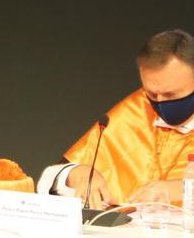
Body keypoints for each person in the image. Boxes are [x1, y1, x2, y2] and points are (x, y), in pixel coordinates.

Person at [38, 29, 194, 210]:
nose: (160, 103)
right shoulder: (138, 108)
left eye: (171, 94)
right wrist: (75, 174)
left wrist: (181, 188)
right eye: (152, 93)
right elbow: (50, 177)